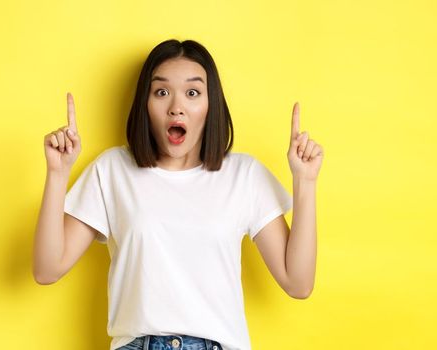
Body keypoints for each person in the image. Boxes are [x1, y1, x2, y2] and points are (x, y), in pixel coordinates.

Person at [33, 39, 323, 350]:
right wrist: (57, 173)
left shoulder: (245, 176)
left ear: (210, 105)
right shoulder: (113, 170)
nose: (176, 106)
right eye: (161, 92)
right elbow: (47, 269)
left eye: (193, 92)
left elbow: (298, 283)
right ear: (145, 103)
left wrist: (305, 182)